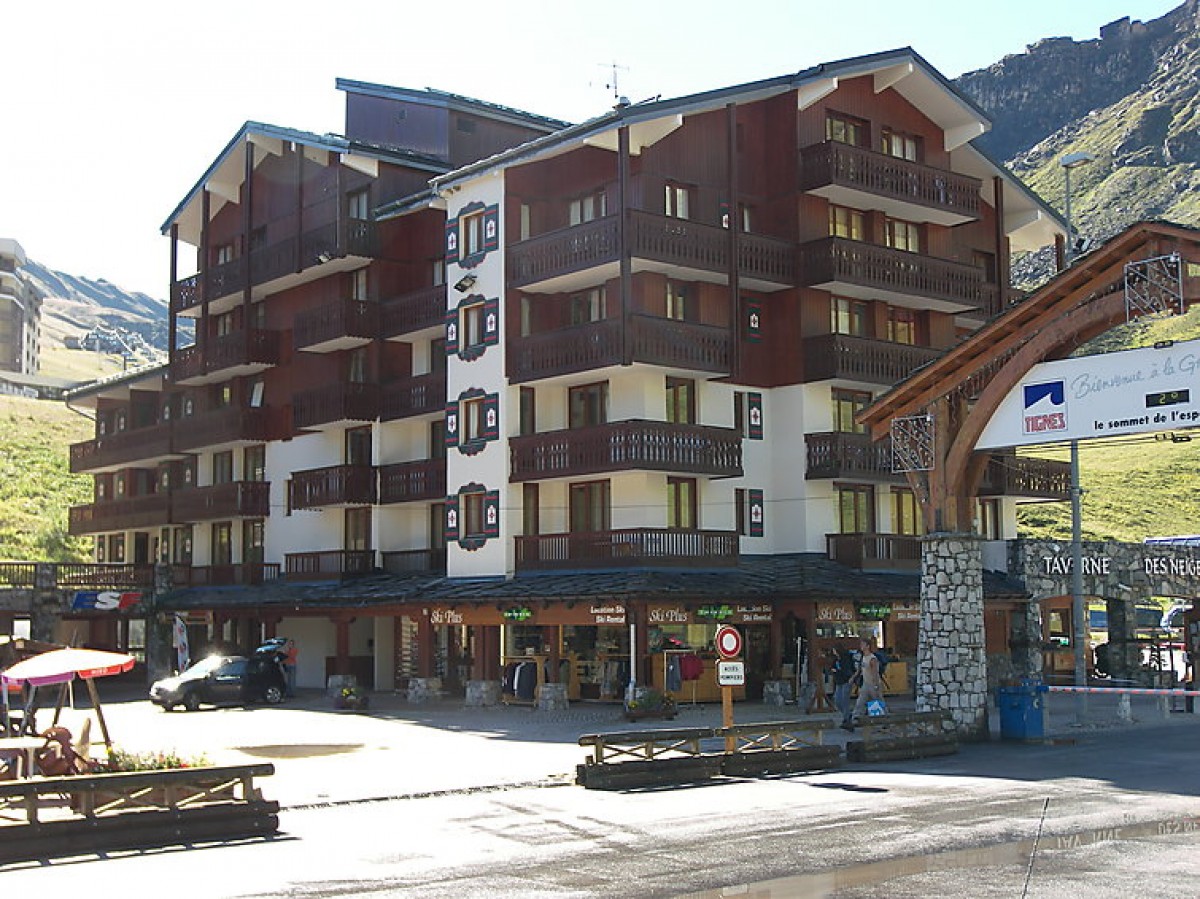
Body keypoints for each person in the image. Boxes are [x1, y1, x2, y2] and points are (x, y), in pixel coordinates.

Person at [848, 636, 884, 730]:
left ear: (868, 646)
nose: (861, 646)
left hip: (873, 684)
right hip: (865, 683)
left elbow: (875, 673)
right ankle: (854, 719)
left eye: (863, 644)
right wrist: (853, 678)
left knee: (877, 702)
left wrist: (876, 685)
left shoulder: (872, 658)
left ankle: (884, 721)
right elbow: (860, 669)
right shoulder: (863, 657)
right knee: (860, 702)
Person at [830, 646, 857, 730]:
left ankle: (847, 719)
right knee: (837, 700)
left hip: (846, 681)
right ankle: (848, 715)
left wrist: (837, 671)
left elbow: (846, 670)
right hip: (839, 682)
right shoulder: (836, 660)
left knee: (845, 701)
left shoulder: (845, 659)